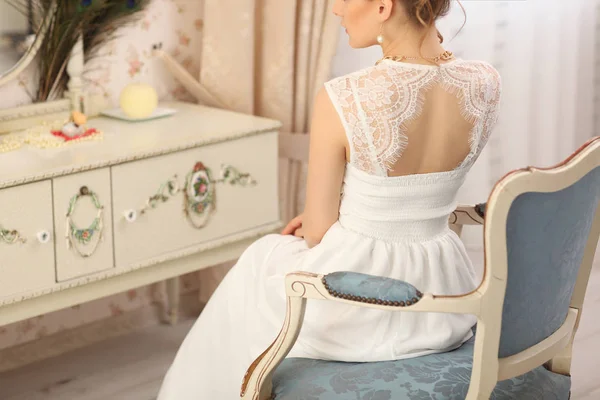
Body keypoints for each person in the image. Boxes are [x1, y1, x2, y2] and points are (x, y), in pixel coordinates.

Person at [157, 0, 501, 398]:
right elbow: (416, 194)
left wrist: (331, 216)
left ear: (384, 7)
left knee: (259, 260)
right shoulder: (485, 81)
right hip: (445, 294)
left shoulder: (344, 96)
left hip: (361, 299)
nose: (337, 9)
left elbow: (318, 232)